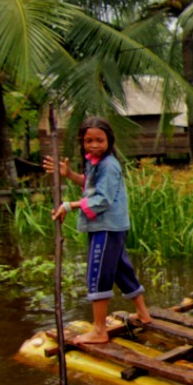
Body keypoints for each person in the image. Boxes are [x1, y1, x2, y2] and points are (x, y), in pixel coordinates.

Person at [46, 116, 152, 344]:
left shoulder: (109, 165)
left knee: (98, 274)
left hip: (106, 227)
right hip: (108, 226)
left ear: (109, 141)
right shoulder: (96, 163)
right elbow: (92, 185)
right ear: (82, 142)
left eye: (99, 140)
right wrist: (70, 175)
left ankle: (99, 330)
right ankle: (143, 313)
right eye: (88, 141)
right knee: (120, 270)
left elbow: (102, 199)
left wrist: (70, 205)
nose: (93, 145)